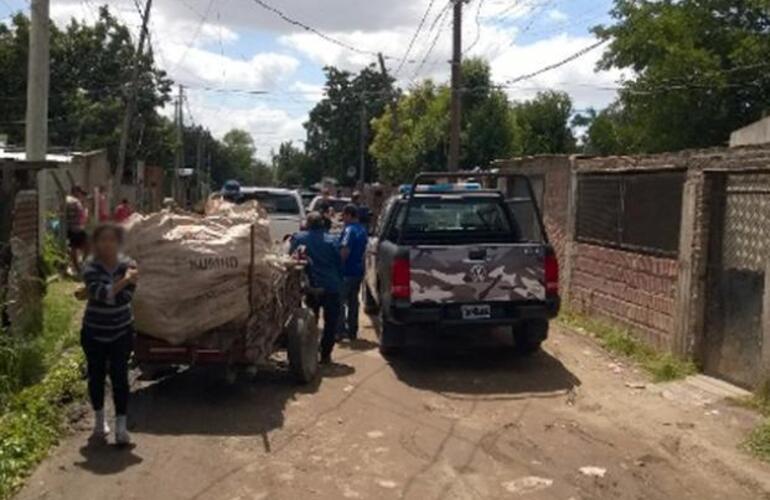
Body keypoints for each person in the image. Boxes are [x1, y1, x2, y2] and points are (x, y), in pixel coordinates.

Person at [80, 224, 138, 445]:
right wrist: (123, 282)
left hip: (121, 331)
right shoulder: (90, 267)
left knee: (120, 378)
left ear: (119, 242)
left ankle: (121, 428)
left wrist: (114, 290)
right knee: (96, 376)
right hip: (94, 332)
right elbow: (102, 294)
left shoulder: (129, 264)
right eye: (102, 240)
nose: (107, 244)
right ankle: (99, 421)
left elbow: (125, 298)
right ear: (96, 243)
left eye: (112, 240)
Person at [290, 212, 342, 364]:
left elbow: (291, 259)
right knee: (331, 322)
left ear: (308, 224)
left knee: (311, 320)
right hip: (331, 287)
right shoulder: (332, 240)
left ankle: (310, 350)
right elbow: (339, 263)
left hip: (311, 287)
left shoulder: (299, 238)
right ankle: (325, 354)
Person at [338, 205, 368, 341]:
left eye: (344, 216)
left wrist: (337, 265)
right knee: (353, 302)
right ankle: (352, 330)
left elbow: (345, 250)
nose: (342, 219)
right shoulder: (362, 230)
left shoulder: (349, 230)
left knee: (339, 301)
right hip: (358, 271)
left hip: (347, 271)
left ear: (349, 215)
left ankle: (340, 330)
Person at [65, 186, 89, 274]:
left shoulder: (68, 199)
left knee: (74, 247)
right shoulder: (75, 201)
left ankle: (78, 266)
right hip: (75, 228)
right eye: (80, 193)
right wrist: (85, 211)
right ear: (75, 191)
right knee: (84, 246)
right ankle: (78, 266)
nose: (81, 195)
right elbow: (82, 216)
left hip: (72, 227)